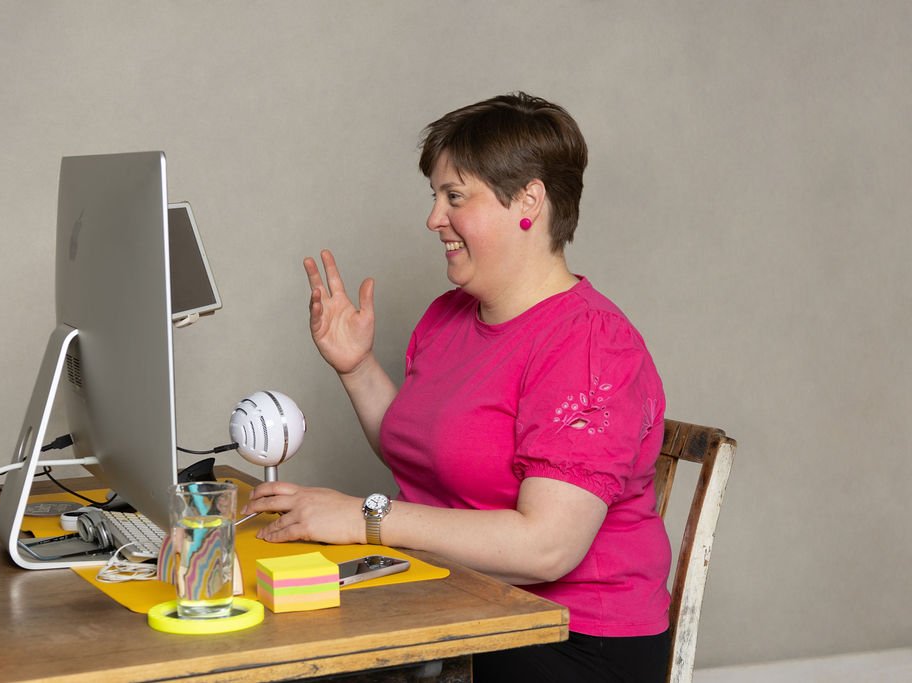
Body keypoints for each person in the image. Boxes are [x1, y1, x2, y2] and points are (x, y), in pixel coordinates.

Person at [242, 92, 671, 682]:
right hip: (461, 605)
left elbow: (547, 548)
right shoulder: (449, 316)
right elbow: (429, 454)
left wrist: (365, 517)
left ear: (529, 200)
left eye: (454, 196)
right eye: (435, 196)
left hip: (568, 640)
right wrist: (356, 367)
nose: (433, 219)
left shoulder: (589, 344)